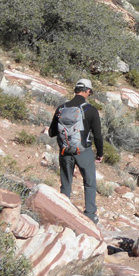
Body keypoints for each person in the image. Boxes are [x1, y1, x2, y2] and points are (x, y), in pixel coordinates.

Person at [49, 78, 103, 224]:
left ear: (75, 90)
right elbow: (97, 135)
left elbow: (51, 132)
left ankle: (61, 212)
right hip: (83, 152)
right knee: (89, 183)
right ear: (87, 91)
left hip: (65, 151)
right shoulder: (90, 110)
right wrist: (100, 153)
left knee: (66, 184)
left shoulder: (61, 108)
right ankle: (90, 215)